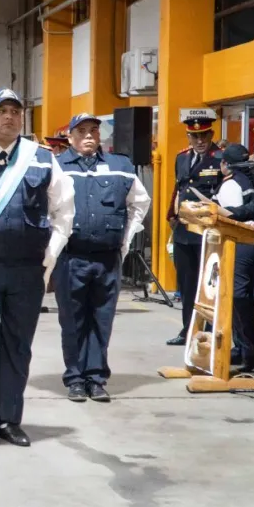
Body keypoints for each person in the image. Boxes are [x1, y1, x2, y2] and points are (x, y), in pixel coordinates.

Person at [0, 89, 75, 447]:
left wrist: (50, 255)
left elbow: (64, 213)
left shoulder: (42, 159)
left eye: (15, 111)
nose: (9, 117)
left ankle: (10, 419)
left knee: (18, 346)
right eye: (2, 110)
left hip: (27, 270)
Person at [53, 113, 151, 403]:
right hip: (72, 258)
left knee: (101, 320)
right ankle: (74, 378)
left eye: (93, 131)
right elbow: (47, 210)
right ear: (69, 136)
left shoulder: (119, 166)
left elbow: (139, 204)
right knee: (73, 321)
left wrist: (124, 240)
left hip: (107, 259)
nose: (88, 136)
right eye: (81, 131)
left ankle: (96, 378)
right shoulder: (56, 168)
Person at [166, 112, 222, 346]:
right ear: (188, 137)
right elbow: (179, 188)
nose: (199, 140)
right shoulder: (182, 158)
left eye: (203, 135)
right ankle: (188, 328)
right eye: (194, 136)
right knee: (187, 284)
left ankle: (210, 329)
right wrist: (171, 214)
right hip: (184, 231)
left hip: (208, 232)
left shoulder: (219, 158)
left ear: (211, 134)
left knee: (209, 284)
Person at [214, 143, 254, 372]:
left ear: (227, 164)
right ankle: (247, 349)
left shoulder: (232, 183)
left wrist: (224, 213)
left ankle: (249, 350)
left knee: (238, 298)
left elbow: (234, 215)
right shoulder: (253, 180)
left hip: (242, 244)